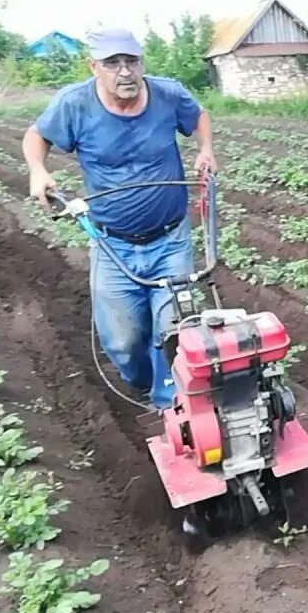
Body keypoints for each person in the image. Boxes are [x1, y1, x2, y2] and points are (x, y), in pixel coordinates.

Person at [22, 27, 217, 410]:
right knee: (124, 342)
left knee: (175, 328)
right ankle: (142, 382)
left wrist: (206, 149)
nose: (125, 71)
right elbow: (36, 135)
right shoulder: (74, 104)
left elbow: (198, 116)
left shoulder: (168, 93)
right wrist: (37, 170)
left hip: (170, 237)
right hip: (113, 244)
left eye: (132, 61)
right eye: (113, 63)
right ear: (94, 66)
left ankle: (170, 402)